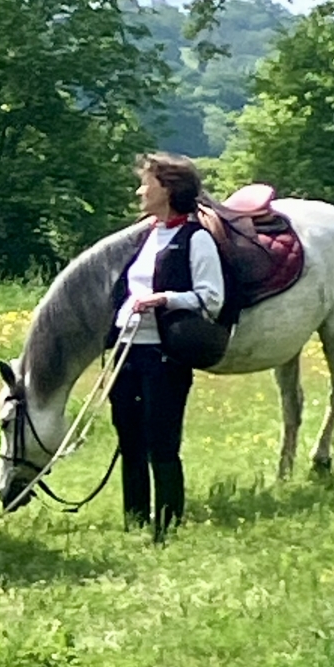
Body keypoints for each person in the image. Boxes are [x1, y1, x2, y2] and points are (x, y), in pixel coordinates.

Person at [108, 153, 227, 540]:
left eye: (147, 183)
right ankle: (135, 521)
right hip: (127, 352)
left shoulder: (197, 240)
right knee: (129, 439)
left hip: (163, 355)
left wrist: (164, 299)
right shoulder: (144, 236)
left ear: (169, 189)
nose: (140, 191)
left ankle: (167, 524)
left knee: (162, 441)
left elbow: (211, 299)